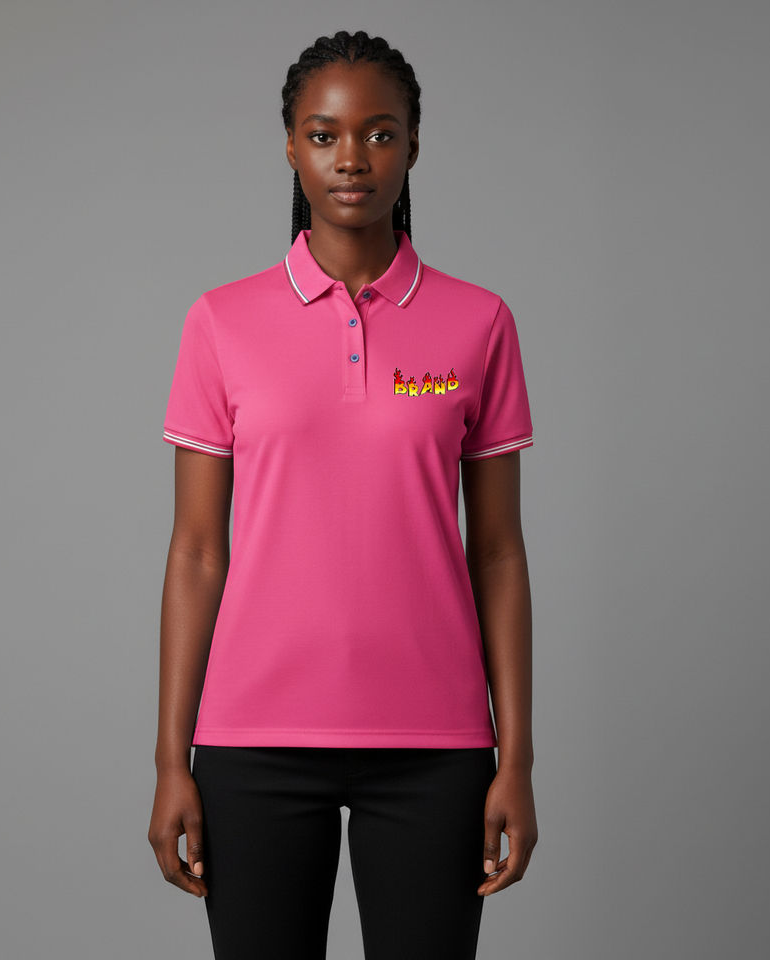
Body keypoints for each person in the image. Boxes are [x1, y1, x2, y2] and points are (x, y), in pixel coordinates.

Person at [148, 29, 538, 960]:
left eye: (379, 133)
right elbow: (196, 551)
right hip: (253, 740)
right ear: (291, 146)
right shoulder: (221, 322)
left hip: (437, 745)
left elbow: (497, 552)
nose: (352, 158)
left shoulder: (479, 321)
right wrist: (170, 760)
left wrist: (516, 758)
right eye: (324, 135)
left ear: (413, 145)